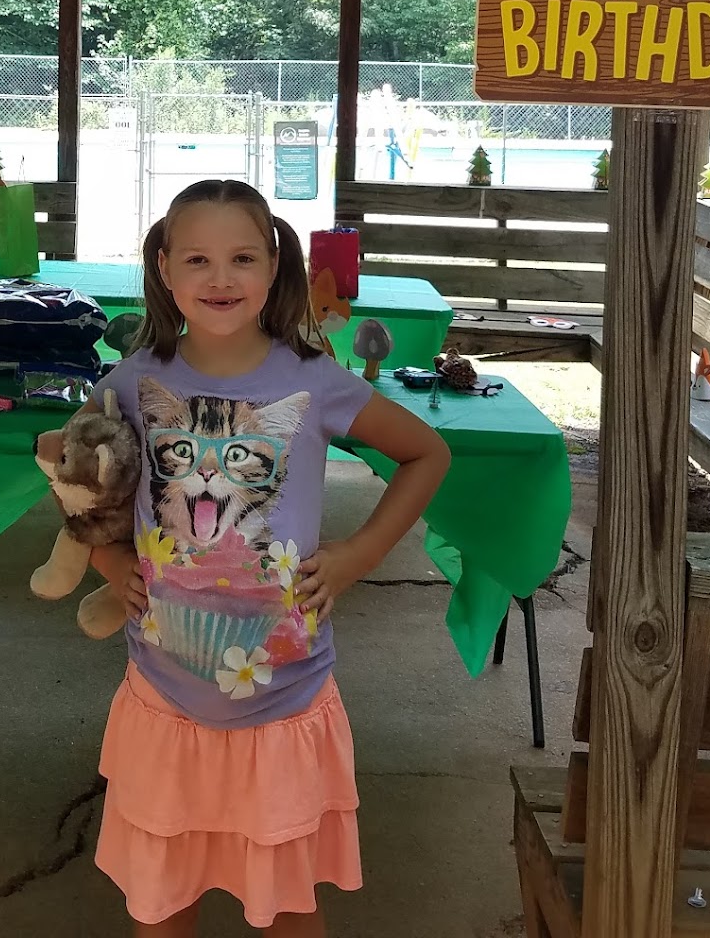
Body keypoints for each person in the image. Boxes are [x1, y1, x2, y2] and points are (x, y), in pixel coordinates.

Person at [88, 179, 449, 935]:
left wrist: (357, 555)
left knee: (286, 909)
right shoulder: (132, 382)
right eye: (198, 259)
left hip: (286, 701)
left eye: (243, 257)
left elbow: (426, 454)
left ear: (274, 264)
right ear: (163, 267)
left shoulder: (312, 380)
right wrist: (110, 564)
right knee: (160, 904)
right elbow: (80, 485)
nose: (220, 278)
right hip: (163, 698)